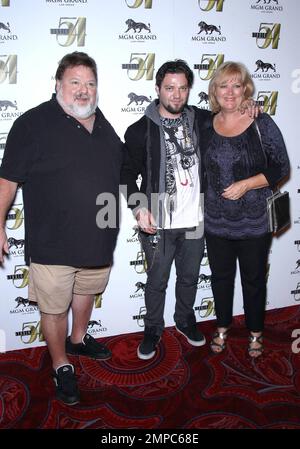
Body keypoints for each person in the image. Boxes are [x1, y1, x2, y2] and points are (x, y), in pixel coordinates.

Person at [0, 52, 123, 404]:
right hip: (52, 242)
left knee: (86, 291)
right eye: (75, 82)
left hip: (99, 238)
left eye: (90, 83)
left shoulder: (101, 122)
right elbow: (7, 181)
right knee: (54, 306)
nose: (83, 91)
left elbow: (118, 165)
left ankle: (79, 339)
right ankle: (60, 363)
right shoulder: (32, 124)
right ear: (58, 84)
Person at [121, 59, 212, 360]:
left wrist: (248, 107)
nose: (176, 95)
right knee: (156, 280)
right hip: (157, 222)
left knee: (189, 277)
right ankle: (153, 328)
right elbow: (124, 176)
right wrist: (138, 208)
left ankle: (185, 320)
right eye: (169, 88)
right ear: (157, 88)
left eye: (182, 88)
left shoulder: (201, 121)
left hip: (195, 220)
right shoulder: (139, 131)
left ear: (189, 90)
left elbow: (231, 116)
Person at [201, 61, 290, 358]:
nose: (229, 91)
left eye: (236, 85)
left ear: (245, 90)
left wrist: (247, 184)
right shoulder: (205, 123)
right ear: (214, 90)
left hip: (254, 220)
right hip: (215, 220)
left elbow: (281, 166)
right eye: (223, 85)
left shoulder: (261, 122)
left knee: (253, 279)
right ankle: (223, 326)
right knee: (220, 278)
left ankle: (255, 332)